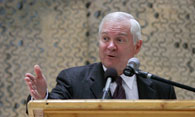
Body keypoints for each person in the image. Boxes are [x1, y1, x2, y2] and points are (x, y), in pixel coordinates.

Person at [24, 12, 176, 100]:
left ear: (137, 46)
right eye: (105, 39)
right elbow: (52, 110)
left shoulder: (162, 89)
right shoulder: (73, 80)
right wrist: (42, 96)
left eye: (119, 40)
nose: (111, 46)